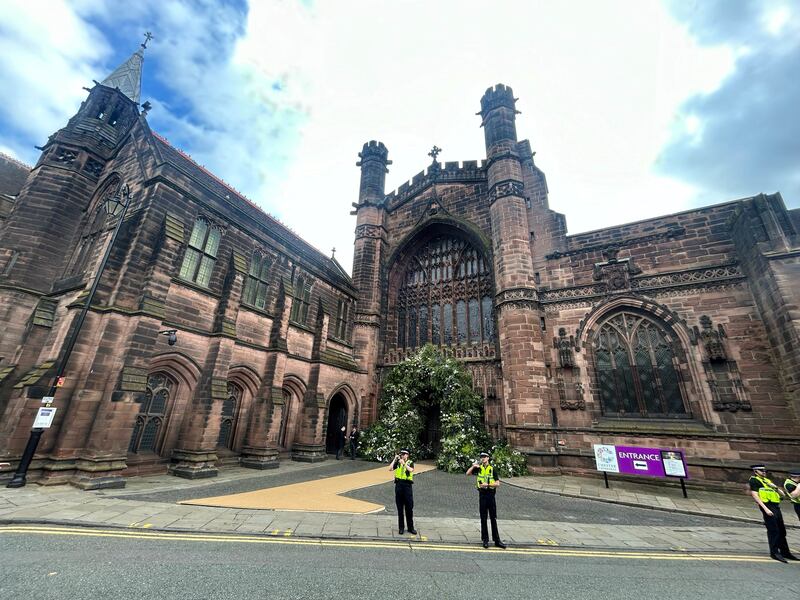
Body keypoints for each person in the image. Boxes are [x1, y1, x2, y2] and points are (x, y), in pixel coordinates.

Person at [748, 464, 797, 563]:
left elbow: (783, 495)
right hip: (768, 506)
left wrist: (775, 487)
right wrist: (766, 509)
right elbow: (755, 495)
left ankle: (785, 552)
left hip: (776, 506)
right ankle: (774, 552)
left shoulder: (768, 481)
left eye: (765, 471)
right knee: (773, 530)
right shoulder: (754, 480)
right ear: (755, 471)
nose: (764, 472)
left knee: (782, 530)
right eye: (762, 471)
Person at [466, 451, 507, 549]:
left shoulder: (492, 469)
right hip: (482, 495)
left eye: (484, 457)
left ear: (488, 458)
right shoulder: (479, 469)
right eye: (481, 457)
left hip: (491, 496)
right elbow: (467, 473)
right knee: (483, 518)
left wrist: (487, 485)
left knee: (493, 518)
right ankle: (485, 540)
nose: (483, 458)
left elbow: (498, 483)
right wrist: (473, 467)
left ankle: (497, 540)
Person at [390, 449, 416, 535]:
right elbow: (390, 468)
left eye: (404, 454)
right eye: (402, 454)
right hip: (399, 485)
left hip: (407, 486)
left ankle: (410, 528)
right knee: (400, 508)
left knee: (409, 508)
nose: (402, 456)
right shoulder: (398, 462)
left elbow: (411, 470)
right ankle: (401, 528)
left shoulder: (410, 462)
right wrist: (395, 459)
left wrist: (404, 464)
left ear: (407, 455)